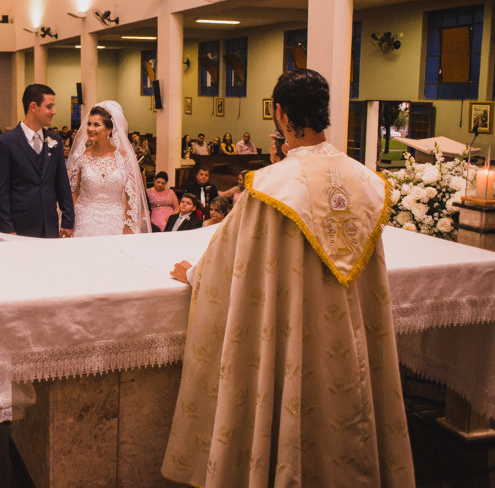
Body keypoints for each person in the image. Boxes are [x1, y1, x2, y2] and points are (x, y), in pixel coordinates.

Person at [162, 68, 414, 486]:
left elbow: (231, 262)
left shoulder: (271, 186)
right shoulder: (366, 182)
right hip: (348, 342)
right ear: (325, 113)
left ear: (280, 115)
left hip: (291, 332)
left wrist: (194, 275)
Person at [0, 84, 75, 238]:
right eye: (49, 107)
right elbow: (0, 191)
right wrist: (7, 228)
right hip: (19, 225)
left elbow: (62, 183)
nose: (53, 112)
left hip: (50, 224)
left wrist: (68, 221)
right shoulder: (5, 143)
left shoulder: (55, 141)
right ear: (33, 107)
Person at [67, 102, 150, 237]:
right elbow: (73, 192)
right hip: (84, 220)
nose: (90, 128)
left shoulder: (124, 158)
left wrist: (128, 226)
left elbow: (132, 197)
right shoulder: (80, 156)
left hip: (115, 221)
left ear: (109, 129)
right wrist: (69, 222)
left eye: (96, 125)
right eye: (89, 124)